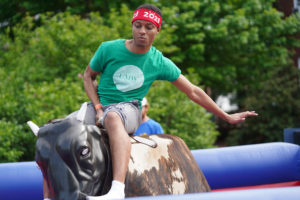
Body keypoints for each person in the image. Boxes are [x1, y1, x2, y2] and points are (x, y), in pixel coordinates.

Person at [83, 4, 258, 200]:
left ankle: (116, 190)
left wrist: (225, 116)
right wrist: (97, 107)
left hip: (128, 110)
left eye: (149, 27)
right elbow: (88, 76)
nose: (142, 31)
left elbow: (193, 91)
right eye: (138, 25)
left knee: (113, 117)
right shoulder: (108, 49)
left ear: (157, 30)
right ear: (132, 26)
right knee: (63, 129)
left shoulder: (158, 62)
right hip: (100, 108)